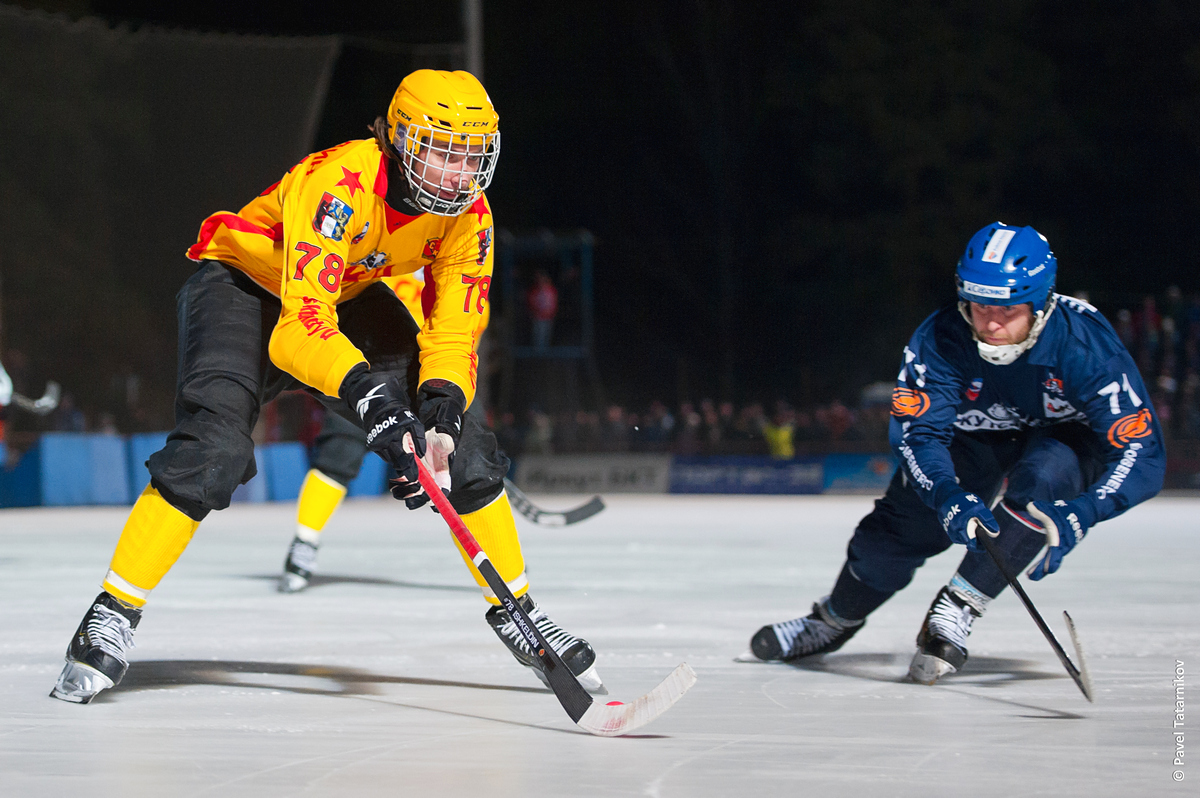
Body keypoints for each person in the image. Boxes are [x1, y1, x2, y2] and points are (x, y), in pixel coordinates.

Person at [51, 69, 604, 704]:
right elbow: (299, 326)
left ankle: (520, 614)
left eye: (472, 157)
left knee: (465, 444)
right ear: (401, 141)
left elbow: (454, 331)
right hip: (244, 289)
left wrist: (442, 412)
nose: (460, 175)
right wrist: (371, 396)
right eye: (444, 154)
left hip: (345, 298)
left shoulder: (469, 216)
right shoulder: (339, 183)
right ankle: (112, 611)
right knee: (213, 450)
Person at [745, 222, 1164, 684]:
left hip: (1063, 436)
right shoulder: (941, 338)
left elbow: (1141, 451)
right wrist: (945, 493)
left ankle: (959, 605)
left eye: (1009, 309)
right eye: (981, 306)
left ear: (1042, 303)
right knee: (903, 526)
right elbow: (919, 435)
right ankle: (833, 620)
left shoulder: (1087, 347)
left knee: (1045, 481)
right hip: (975, 437)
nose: (992, 324)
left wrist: (1086, 510)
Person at [277, 266, 486, 595]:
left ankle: (491, 553)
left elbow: (463, 347)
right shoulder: (392, 262)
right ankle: (304, 542)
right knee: (338, 454)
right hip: (371, 378)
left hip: (426, 386)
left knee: (467, 462)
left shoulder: (463, 277)